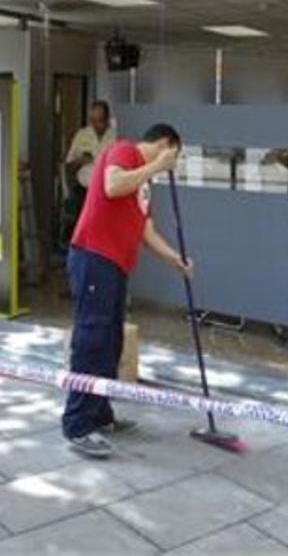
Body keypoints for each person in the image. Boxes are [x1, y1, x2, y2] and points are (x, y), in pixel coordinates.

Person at [62, 122, 192, 458]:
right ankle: (77, 424)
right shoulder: (124, 151)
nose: (171, 166)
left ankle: (100, 413)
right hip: (93, 256)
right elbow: (112, 184)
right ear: (165, 144)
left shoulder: (144, 182)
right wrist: (156, 166)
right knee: (91, 339)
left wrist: (174, 259)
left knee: (110, 341)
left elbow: (145, 230)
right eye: (174, 156)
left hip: (115, 266)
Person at [59, 101, 115, 249]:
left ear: (107, 118)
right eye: (93, 120)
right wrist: (80, 161)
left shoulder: (115, 136)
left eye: (100, 121)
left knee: (104, 229)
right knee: (83, 229)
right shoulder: (82, 135)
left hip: (107, 191)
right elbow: (68, 165)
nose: (96, 125)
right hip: (84, 191)